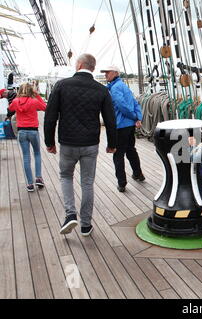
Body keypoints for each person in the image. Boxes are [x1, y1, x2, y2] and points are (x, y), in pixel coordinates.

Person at [44, 54, 118, 237]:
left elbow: (50, 116)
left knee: (66, 176)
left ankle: (70, 214)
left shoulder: (62, 85)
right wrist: (112, 143)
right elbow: (110, 119)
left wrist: (49, 142)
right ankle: (86, 225)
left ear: (78, 65)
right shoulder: (101, 90)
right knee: (87, 183)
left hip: (68, 142)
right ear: (92, 68)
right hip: (90, 144)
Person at [100, 65, 145, 193]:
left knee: (118, 154)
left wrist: (134, 116)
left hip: (120, 126)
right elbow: (135, 103)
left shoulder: (115, 88)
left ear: (115, 73)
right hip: (130, 126)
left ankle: (122, 183)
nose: (105, 75)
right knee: (131, 150)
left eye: (107, 72)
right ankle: (138, 174)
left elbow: (122, 106)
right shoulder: (124, 86)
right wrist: (138, 118)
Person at [7, 83, 46, 192]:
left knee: (26, 157)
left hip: (21, 131)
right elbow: (45, 107)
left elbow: (10, 109)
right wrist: (37, 95)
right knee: (37, 153)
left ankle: (30, 184)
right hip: (33, 131)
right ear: (31, 91)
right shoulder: (34, 101)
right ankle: (38, 177)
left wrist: (16, 100)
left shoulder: (15, 101)